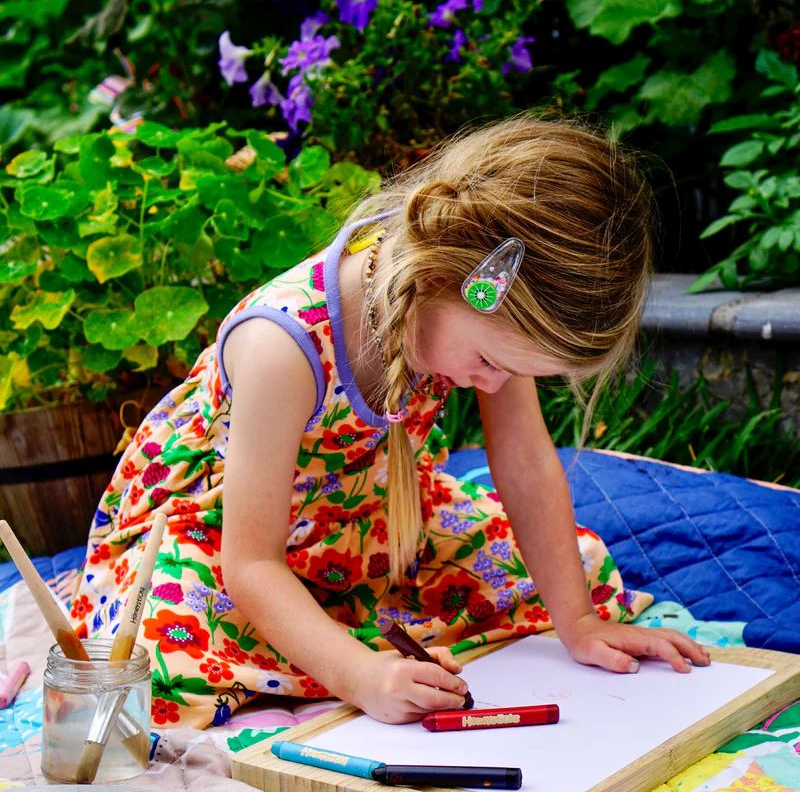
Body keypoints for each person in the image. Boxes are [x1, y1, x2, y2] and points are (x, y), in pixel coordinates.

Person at [74, 113, 709, 729]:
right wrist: (361, 676)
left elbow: (523, 461)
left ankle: (342, 620)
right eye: (489, 363)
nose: (493, 383)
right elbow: (251, 566)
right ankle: (335, 637)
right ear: (446, 278)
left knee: (580, 566)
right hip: (225, 535)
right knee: (163, 652)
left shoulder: (483, 306)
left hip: (373, 518)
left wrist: (579, 622)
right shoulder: (282, 346)